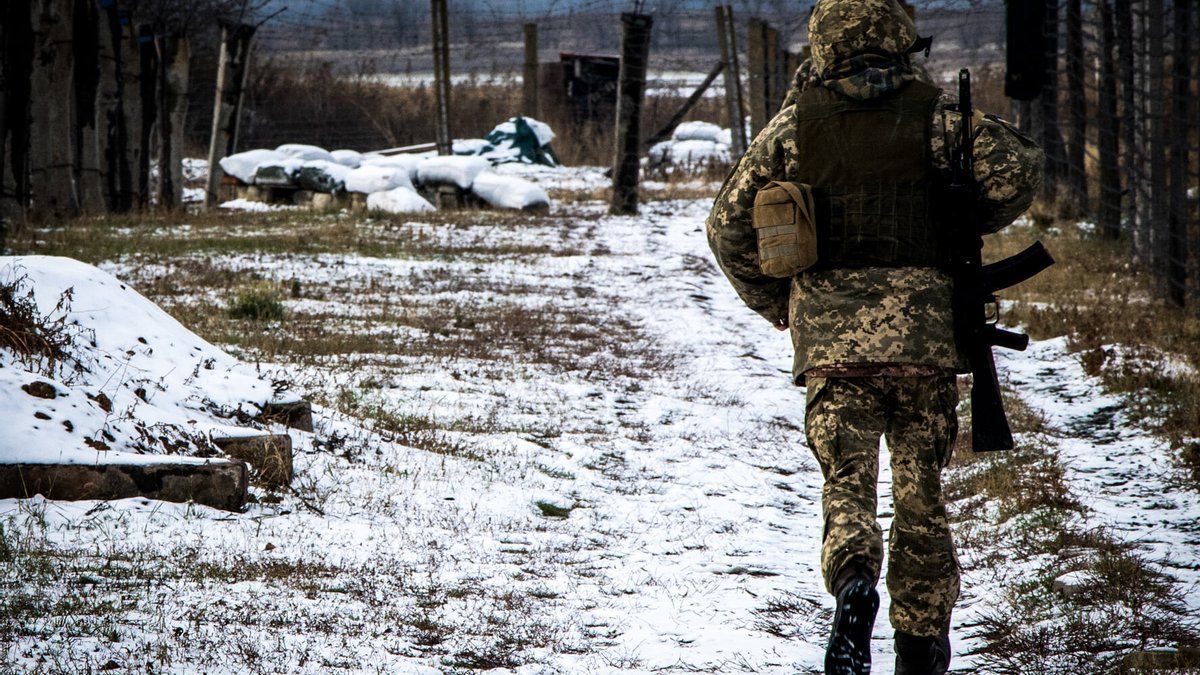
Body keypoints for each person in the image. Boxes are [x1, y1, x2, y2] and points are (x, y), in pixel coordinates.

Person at [705, 0, 1043, 673]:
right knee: (921, 494)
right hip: (923, 343)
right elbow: (1017, 175)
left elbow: (726, 226)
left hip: (833, 348)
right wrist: (959, 204)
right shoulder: (938, 117)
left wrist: (780, 302)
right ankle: (918, 645)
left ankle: (854, 580)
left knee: (847, 479)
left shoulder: (795, 125)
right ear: (897, 40)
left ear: (825, 43)